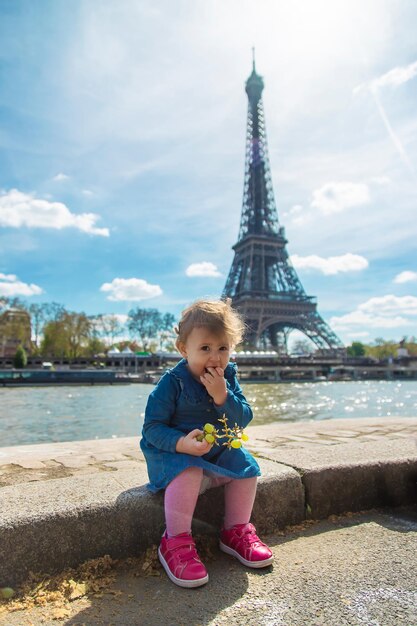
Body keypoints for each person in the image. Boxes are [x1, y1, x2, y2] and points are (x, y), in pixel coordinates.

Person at [140, 299, 273, 588]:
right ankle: (175, 541)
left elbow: (243, 419)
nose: (215, 357)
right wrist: (180, 444)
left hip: (215, 451)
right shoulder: (172, 383)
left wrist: (223, 397)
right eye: (205, 348)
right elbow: (151, 428)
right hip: (174, 454)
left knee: (247, 466)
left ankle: (235, 530)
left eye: (222, 348)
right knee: (189, 471)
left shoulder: (228, 379)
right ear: (183, 349)